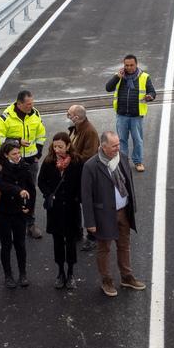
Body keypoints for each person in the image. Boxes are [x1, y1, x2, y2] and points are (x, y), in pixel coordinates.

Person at [81, 131, 146, 297]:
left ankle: (126, 276)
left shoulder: (122, 158)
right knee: (104, 249)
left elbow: (129, 183)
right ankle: (106, 280)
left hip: (123, 211)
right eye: (114, 146)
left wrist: (133, 207)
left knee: (124, 245)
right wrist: (90, 222)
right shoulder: (91, 166)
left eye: (118, 144)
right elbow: (86, 197)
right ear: (103, 147)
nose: (118, 148)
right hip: (103, 216)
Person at [0, 89, 47, 238]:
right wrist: (16, 141)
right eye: (28, 104)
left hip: (30, 161)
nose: (31, 106)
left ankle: (30, 223)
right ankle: (11, 221)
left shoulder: (35, 113)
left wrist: (38, 153)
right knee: (10, 191)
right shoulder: (6, 117)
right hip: (11, 163)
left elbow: (41, 134)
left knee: (30, 192)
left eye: (32, 103)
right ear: (19, 103)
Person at [38, 132, 83, 289]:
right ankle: (60, 272)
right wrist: (49, 194)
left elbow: (82, 183)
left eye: (60, 146)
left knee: (70, 242)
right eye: (55, 146)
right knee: (57, 241)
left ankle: (70, 272)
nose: (57, 149)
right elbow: (41, 181)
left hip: (71, 208)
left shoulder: (77, 162)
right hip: (55, 210)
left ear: (68, 146)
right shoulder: (49, 161)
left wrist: (77, 197)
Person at [0, 141, 34, 288]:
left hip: (18, 212)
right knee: (6, 244)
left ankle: (23, 274)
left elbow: (31, 189)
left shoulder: (25, 167)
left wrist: (29, 208)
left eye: (18, 153)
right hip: (2, 213)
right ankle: (8, 275)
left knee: (20, 244)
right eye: (14, 154)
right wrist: (17, 190)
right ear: (5, 154)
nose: (17, 156)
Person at [104, 54, 156, 172]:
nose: (129, 67)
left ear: (136, 64)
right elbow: (108, 88)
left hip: (136, 116)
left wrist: (150, 96)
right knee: (121, 140)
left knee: (137, 140)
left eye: (131, 65)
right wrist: (117, 77)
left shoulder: (144, 77)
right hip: (122, 115)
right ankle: (123, 162)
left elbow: (152, 92)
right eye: (126, 65)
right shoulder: (119, 77)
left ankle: (138, 162)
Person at [67, 104, 101, 252]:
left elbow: (89, 156)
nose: (68, 116)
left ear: (76, 117)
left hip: (86, 176)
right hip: (76, 175)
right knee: (76, 203)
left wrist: (69, 158)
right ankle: (77, 231)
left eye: (69, 114)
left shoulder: (89, 132)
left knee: (89, 206)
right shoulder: (77, 128)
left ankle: (93, 237)